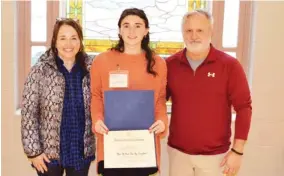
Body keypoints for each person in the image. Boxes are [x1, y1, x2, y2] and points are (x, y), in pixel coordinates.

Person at [166, 9, 252, 176]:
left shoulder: (230, 65)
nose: (194, 36)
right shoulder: (170, 65)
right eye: (188, 30)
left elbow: (244, 107)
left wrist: (237, 151)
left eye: (200, 30)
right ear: (183, 33)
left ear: (211, 32)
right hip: (178, 154)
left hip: (216, 157)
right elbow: (157, 101)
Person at [90, 8, 168, 176]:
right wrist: (97, 120)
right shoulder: (102, 61)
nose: (132, 31)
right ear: (119, 30)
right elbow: (96, 96)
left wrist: (162, 121)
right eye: (126, 25)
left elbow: (160, 99)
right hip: (112, 143)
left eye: (138, 26)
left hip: (145, 146)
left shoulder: (158, 63)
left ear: (146, 30)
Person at [21, 18, 95, 176]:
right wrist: (33, 152)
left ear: (80, 41)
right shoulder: (40, 71)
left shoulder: (91, 70)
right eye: (63, 38)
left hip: (80, 151)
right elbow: (29, 113)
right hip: (48, 154)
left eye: (73, 38)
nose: (68, 44)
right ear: (55, 42)